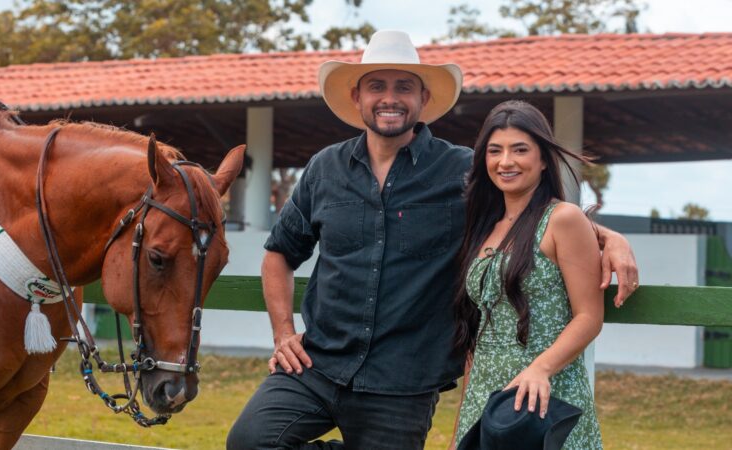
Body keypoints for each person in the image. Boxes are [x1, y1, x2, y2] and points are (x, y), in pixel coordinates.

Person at [227, 30, 636, 450]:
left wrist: (608, 236)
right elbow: (279, 254)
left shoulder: (463, 172)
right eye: (377, 86)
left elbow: (533, 212)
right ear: (357, 97)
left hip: (404, 382)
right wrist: (282, 334)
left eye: (404, 87)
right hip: (316, 366)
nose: (390, 98)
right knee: (248, 442)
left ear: (423, 99)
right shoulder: (323, 169)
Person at [451, 100, 604, 449]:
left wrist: (541, 369)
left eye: (520, 149)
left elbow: (589, 316)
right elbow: (479, 334)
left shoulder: (562, 219)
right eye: (495, 151)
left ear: (542, 159)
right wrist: (462, 425)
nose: (506, 162)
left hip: (546, 397)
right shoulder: (483, 227)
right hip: (485, 399)